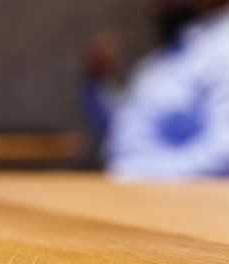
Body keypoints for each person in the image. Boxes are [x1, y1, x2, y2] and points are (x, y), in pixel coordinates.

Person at [82, 0, 229, 181]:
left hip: (177, 202)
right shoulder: (171, 54)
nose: (153, 5)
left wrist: (138, 174)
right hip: (130, 194)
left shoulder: (222, 49)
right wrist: (97, 85)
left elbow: (223, 153)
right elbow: (128, 134)